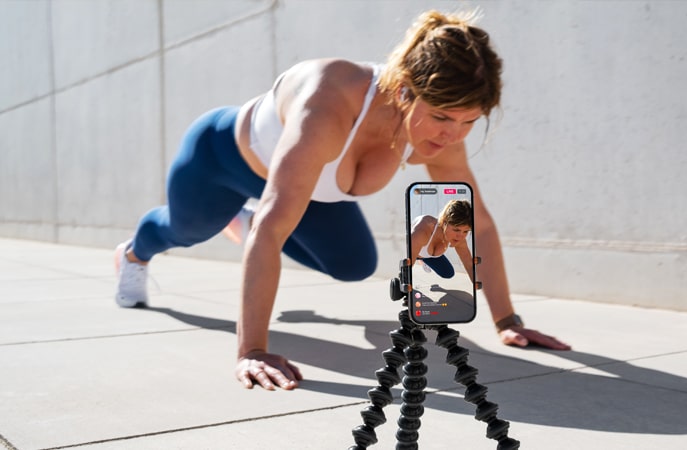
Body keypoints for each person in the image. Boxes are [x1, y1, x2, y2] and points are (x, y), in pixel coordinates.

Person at [114, 9, 571, 392]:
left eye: (470, 120)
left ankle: (246, 220)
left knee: (352, 265)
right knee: (187, 230)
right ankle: (133, 254)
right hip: (222, 161)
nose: (453, 135)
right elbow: (275, 229)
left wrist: (506, 318)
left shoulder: (442, 132)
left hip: (308, 188)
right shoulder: (329, 100)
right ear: (404, 89)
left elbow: (477, 223)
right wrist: (251, 350)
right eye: (442, 117)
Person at [410, 199, 473, 280]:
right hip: (412, 249)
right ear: (444, 222)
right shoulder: (422, 232)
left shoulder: (460, 238)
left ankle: (424, 261)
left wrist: (478, 284)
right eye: (456, 230)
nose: (461, 236)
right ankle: (420, 259)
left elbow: (469, 265)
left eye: (466, 231)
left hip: (427, 255)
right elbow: (406, 268)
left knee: (448, 273)